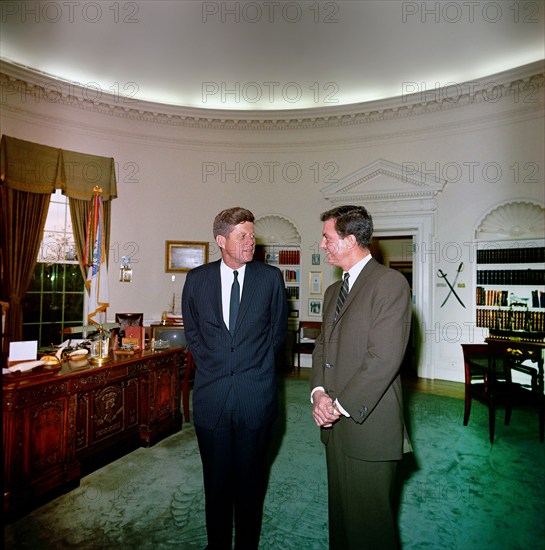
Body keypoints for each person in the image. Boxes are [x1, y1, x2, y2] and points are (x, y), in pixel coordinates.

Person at [182, 206, 288, 550]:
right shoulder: (196, 280)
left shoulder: (270, 279)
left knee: (250, 483)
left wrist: (253, 369)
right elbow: (193, 333)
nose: (251, 241)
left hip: (255, 398)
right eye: (243, 235)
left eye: (252, 235)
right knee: (215, 483)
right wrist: (214, 365)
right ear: (220, 240)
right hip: (212, 399)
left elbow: (276, 335)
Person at [310, 205, 412, 550]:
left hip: (369, 427)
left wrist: (338, 405)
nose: (322, 245)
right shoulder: (331, 293)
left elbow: (383, 359)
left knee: (371, 528)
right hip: (334, 426)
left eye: (327, 238)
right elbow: (321, 349)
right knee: (342, 521)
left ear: (350, 240)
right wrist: (319, 395)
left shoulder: (389, 284)